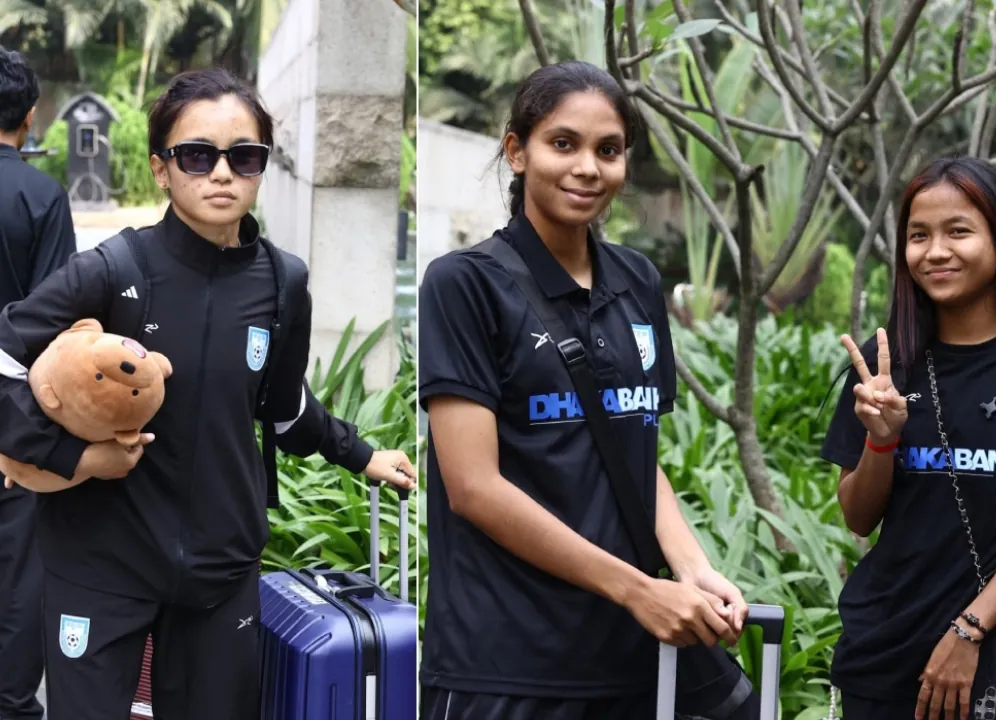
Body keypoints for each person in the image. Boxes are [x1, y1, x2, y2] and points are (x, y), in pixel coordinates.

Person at [0, 67, 416, 720]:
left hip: (221, 573)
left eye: (243, 157)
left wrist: (360, 454)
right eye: (197, 155)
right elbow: (4, 356)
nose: (221, 173)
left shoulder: (283, 283)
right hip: (99, 562)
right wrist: (71, 459)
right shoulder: (112, 271)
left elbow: (283, 409)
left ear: (260, 168)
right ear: (162, 169)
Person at [418, 60, 759, 720]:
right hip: (508, 666)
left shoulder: (637, 281)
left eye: (609, 150)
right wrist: (639, 590)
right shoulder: (464, 284)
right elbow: (473, 488)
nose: (587, 168)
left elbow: (636, 452)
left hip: (628, 660)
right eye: (563, 143)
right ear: (517, 151)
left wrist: (691, 567)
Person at [820, 155, 996, 720]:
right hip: (886, 649)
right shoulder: (886, 367)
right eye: (918, 235)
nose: (936, 252)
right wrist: (882, 441)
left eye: (958, 231)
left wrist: (970, 629)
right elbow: (857, 517)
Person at [0, 44, 79, 720]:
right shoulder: (43, 196)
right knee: (19, 572)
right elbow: (59, 324)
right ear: (28, 118)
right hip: (16, 421)